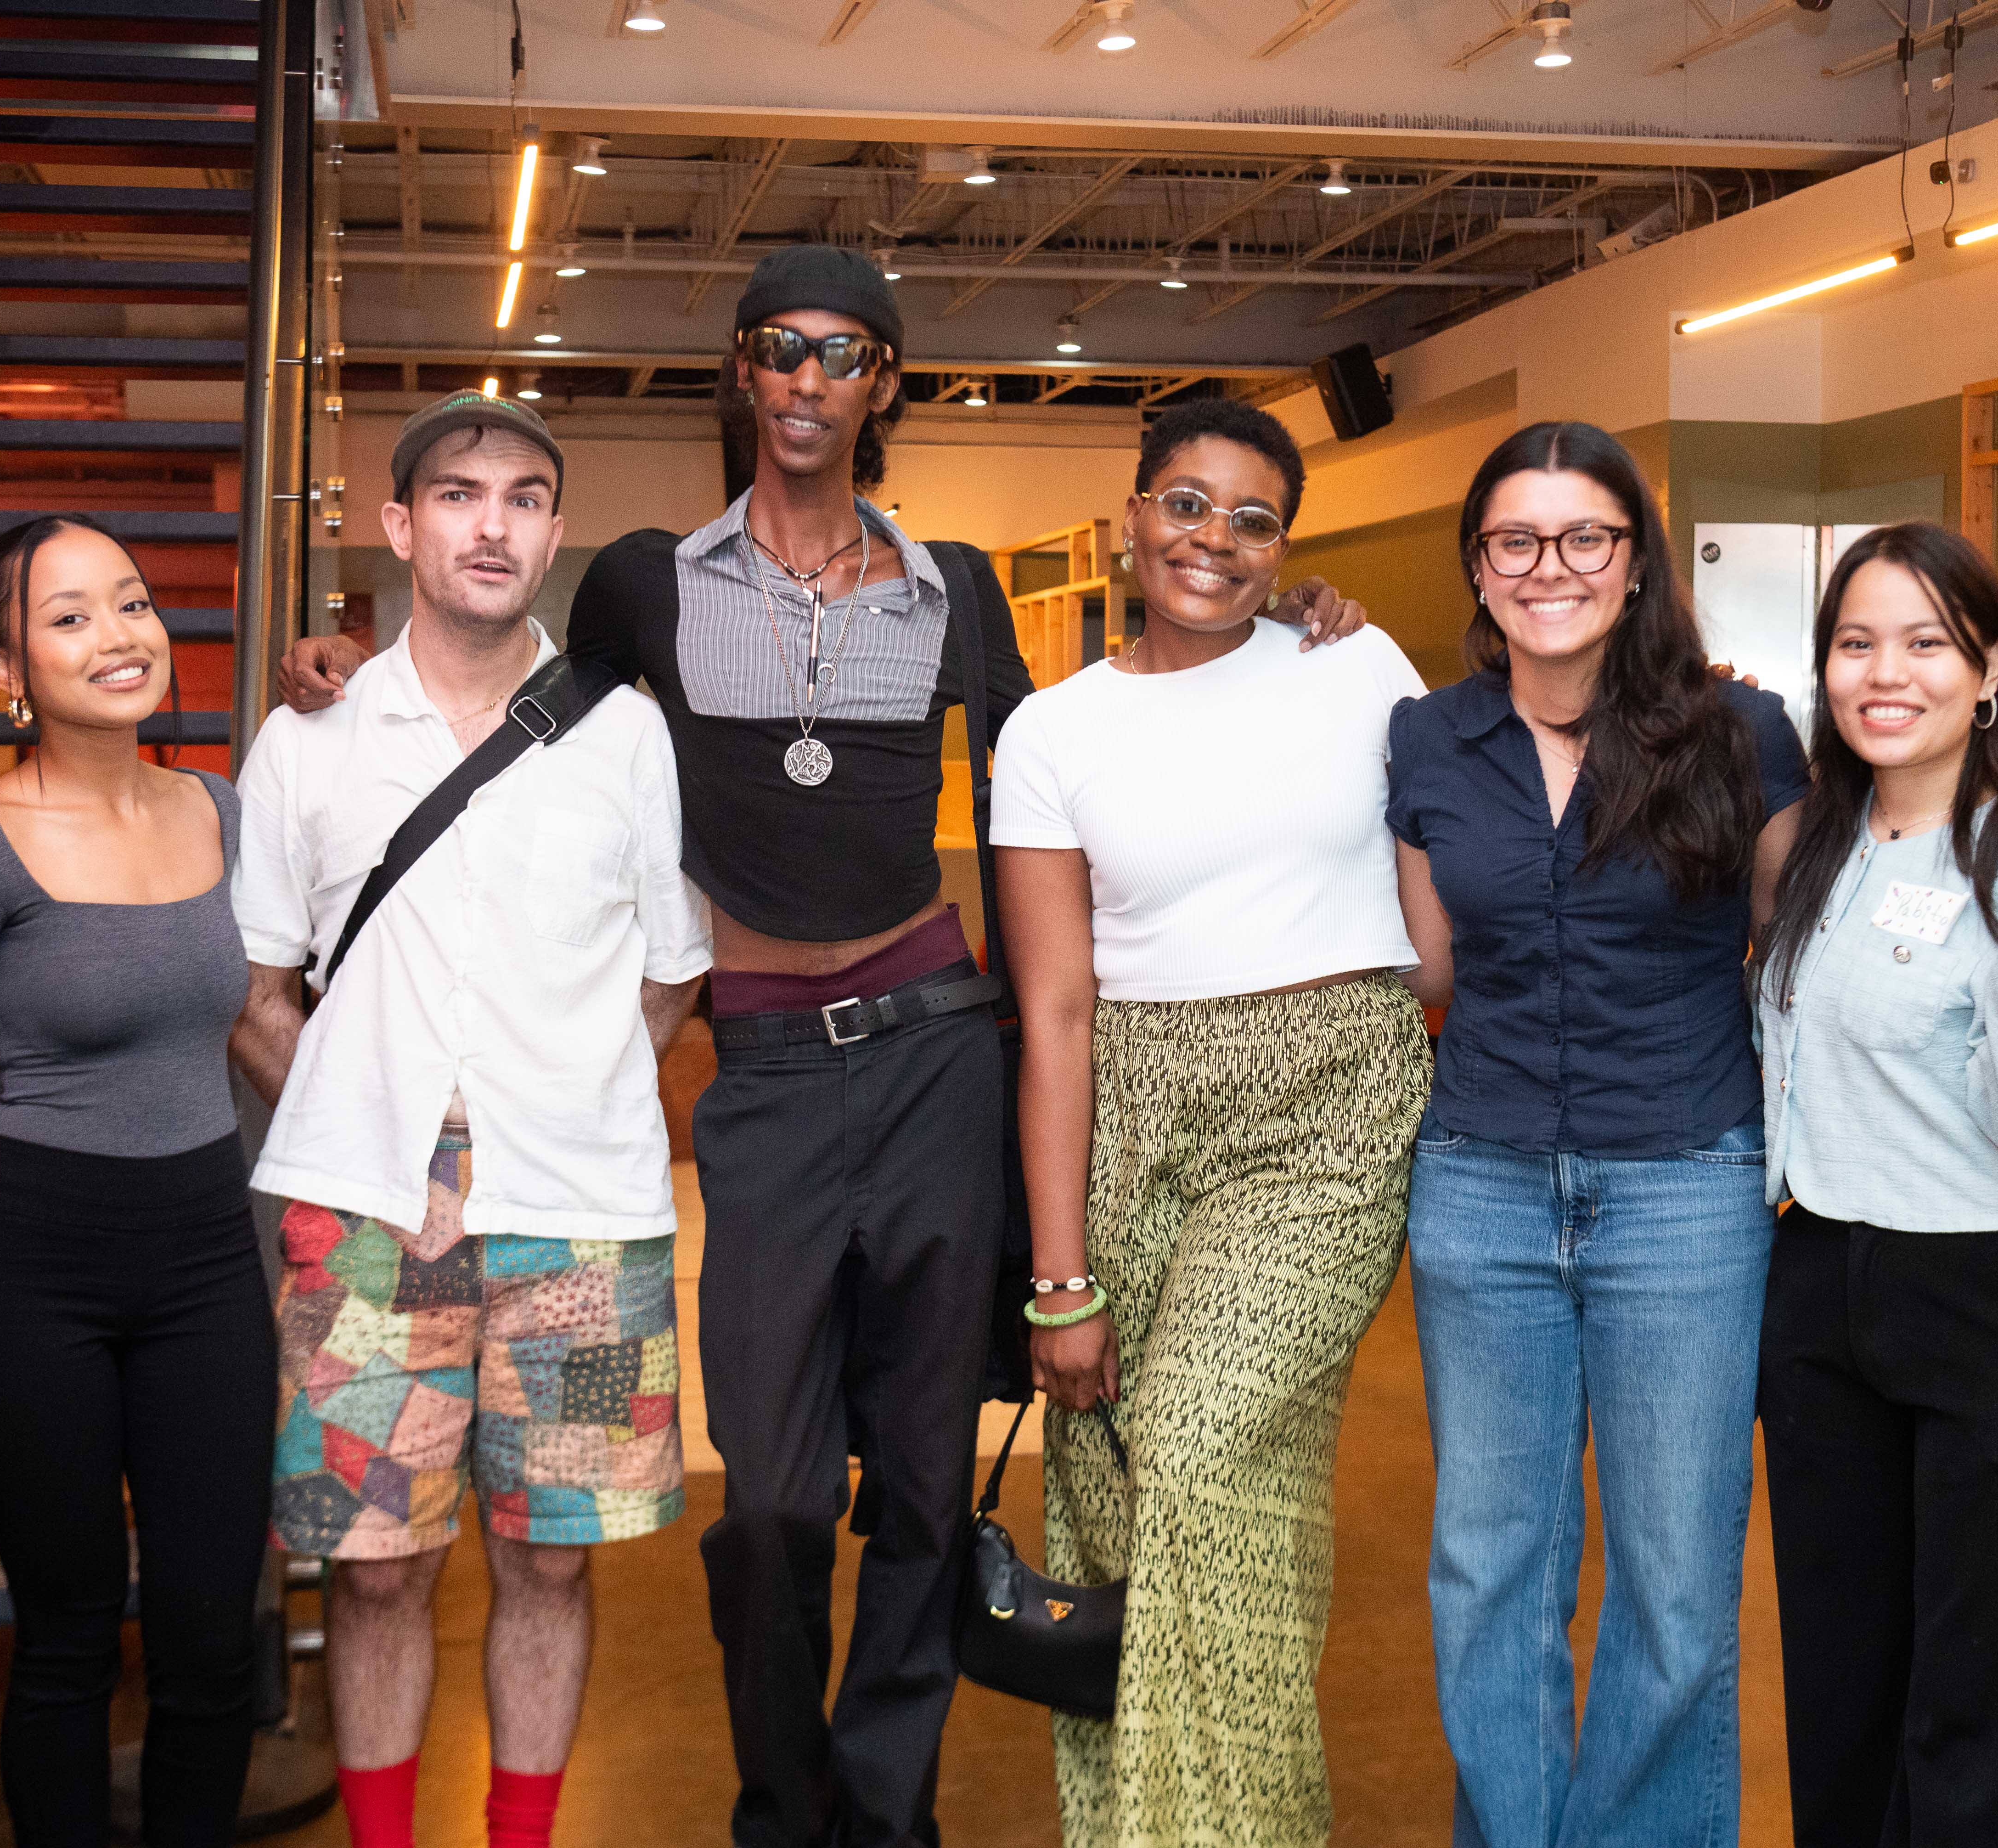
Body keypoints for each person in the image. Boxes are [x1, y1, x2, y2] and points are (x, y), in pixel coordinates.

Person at [270, 245, 1373, 1848]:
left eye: (844, 353)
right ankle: (782, 1808)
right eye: (779, 348)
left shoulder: (962, 589)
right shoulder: (650, 579)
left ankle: (885, 1816)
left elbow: (1056, 788)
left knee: (925, 1493)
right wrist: (337, 669)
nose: (807, 378)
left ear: (883, 387)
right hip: (769, 1079)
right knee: (776, 1497)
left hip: (938, 1056)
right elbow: (514, 714)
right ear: (742, 371)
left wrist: (1298, 628)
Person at [229, 393, 712, 1848]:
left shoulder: (626, 738)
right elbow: (258, 998)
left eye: (520, 498)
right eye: (457, 494)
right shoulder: (308, 743)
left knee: (552, 1560)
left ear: (554, 534)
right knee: (374, 1569)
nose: (489, 522)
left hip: (579, 1225)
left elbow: (669, 984)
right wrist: (371, 1117)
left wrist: (550, 1096)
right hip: (369, 1226)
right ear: (401, 526)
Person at [992, 397, 1437, 1846]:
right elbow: (1055, 1011)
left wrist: (1389, 1011)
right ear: (1131, 518)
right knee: (1141, 1501)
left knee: (1193, 1446)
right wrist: (1059, 1279)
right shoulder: (1052, 731)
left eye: (1254, 521)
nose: (1216, 542)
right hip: (1132, 1105)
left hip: (1329, 1107)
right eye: (1188, 504)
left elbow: (1442, 901)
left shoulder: (1356, 660)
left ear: (1286, 549)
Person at [1387, 421, 1808, 1848]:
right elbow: (1431, 969)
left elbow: (1792, 951)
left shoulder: (1742, 735)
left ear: (1637, 564)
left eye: (1587, 538)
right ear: (1479, 567)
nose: (1550, 567)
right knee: (1488, 1568)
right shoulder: (1426, 738)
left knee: (1678, 1583)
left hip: (1688, 1188)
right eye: (1517, 539)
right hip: (1480, 1190)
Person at [1752, 522, 1998, 1848]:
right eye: (1858, 642)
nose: (1888, 672)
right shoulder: (1817, 842)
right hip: (1821, 1286)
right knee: (1843, 1677)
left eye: (1928, 643)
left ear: (1990, 673)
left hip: (1989, 1290)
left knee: (1980, 1691)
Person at [0, 513, 272, 1848]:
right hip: (34, 1270)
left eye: (130, 603)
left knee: (212, 1643)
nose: (118, 637)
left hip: (206, 1262)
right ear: (5, 666)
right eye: (68, 618)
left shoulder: (223, 811)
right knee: (65, 1642)